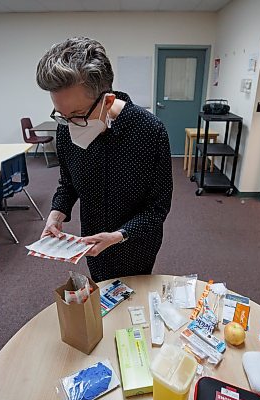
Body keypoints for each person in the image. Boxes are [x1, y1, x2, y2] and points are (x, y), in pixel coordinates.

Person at [36, 36, 173, 283]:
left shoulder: (150, 131)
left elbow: (157, 208)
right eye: (62, 115)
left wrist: (119, 235)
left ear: (107, 100)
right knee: (102, 292)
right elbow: (68, 183)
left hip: (137, 243)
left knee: (135, 296)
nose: (70, 124)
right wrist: (57, 213)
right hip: (91, 242)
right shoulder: (66, 127)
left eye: (77, 115)